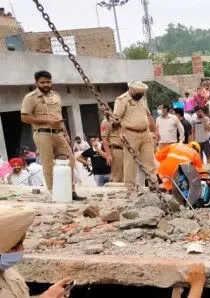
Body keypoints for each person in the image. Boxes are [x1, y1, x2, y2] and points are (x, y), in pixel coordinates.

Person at [20, 70, 85, 200]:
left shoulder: (56, 95)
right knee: (48, 164)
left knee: (70, 160)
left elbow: (59, 117)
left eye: (48, 82)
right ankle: (55, 192)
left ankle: (70, 190)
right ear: (36, 83)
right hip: (42, 134)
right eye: (42, 82)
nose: (46, 84)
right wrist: (47, 121)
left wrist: (65, 133)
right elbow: (24, 117)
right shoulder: (30, 97)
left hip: (58, 133)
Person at [0, 205, 76, 298]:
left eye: (21, 243)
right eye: (13, 247)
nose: (21, 250)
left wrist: (47, 295)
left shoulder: (8, 270)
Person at [113, 81, 159, 190]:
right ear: (132, 91)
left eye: (142, 94)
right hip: (130, 133)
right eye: (138, 94)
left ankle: (153, 183)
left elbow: (148, 114)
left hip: (146, 132)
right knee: (130, 163)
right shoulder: (122, 100)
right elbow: (116, 120)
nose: (141, 96)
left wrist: (155, 130)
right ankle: (130, 188)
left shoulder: (142, 99)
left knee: (149, 160)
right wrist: (120, 134)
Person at [100, 116, 124, 183]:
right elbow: (104, 139)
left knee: (125, 176)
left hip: (125, 149)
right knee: (117, 175)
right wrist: (108, 155)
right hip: (116, 149)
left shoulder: (123, 119)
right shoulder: (106, 122)